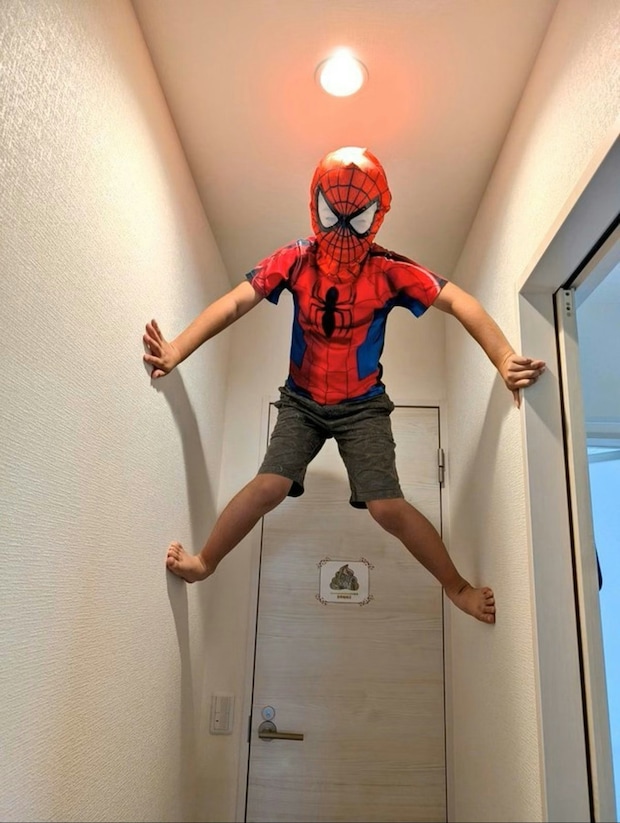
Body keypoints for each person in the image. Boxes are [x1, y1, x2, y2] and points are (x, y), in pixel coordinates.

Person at [143, 146, 545, 624]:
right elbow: (234, 303)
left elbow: (459, 301)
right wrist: (177, 350)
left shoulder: (388, 269)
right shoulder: (296, 259)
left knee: (386, 508)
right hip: (301, 400)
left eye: (357, 218)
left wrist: (504, 358)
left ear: (377, 216)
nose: (342, 230)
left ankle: (456, 587)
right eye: (333, 215)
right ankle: (205, 562)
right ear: (315, 206)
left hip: (363, 406)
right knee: (269, 485)